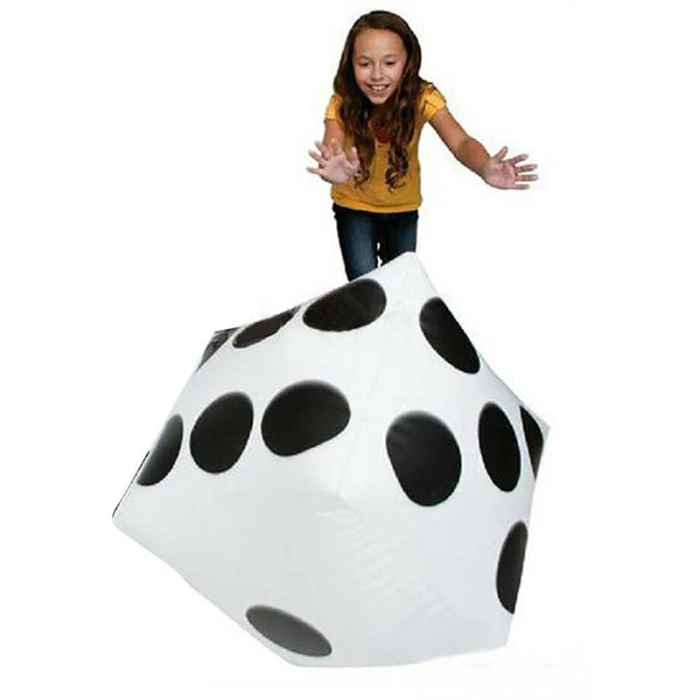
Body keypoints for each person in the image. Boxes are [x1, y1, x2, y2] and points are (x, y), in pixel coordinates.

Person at [307, 10, 538, 281]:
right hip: (354, 209)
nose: (377, 75)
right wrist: (334, 164)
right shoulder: (342, 101)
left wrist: (484, 166)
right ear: (351, 64)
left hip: (402, 209)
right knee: (364, 287)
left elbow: (460, 141)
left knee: (401, 283)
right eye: (365, 63)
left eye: (389, 63)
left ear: (408, 61)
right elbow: (332, 139)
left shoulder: (423, 96)